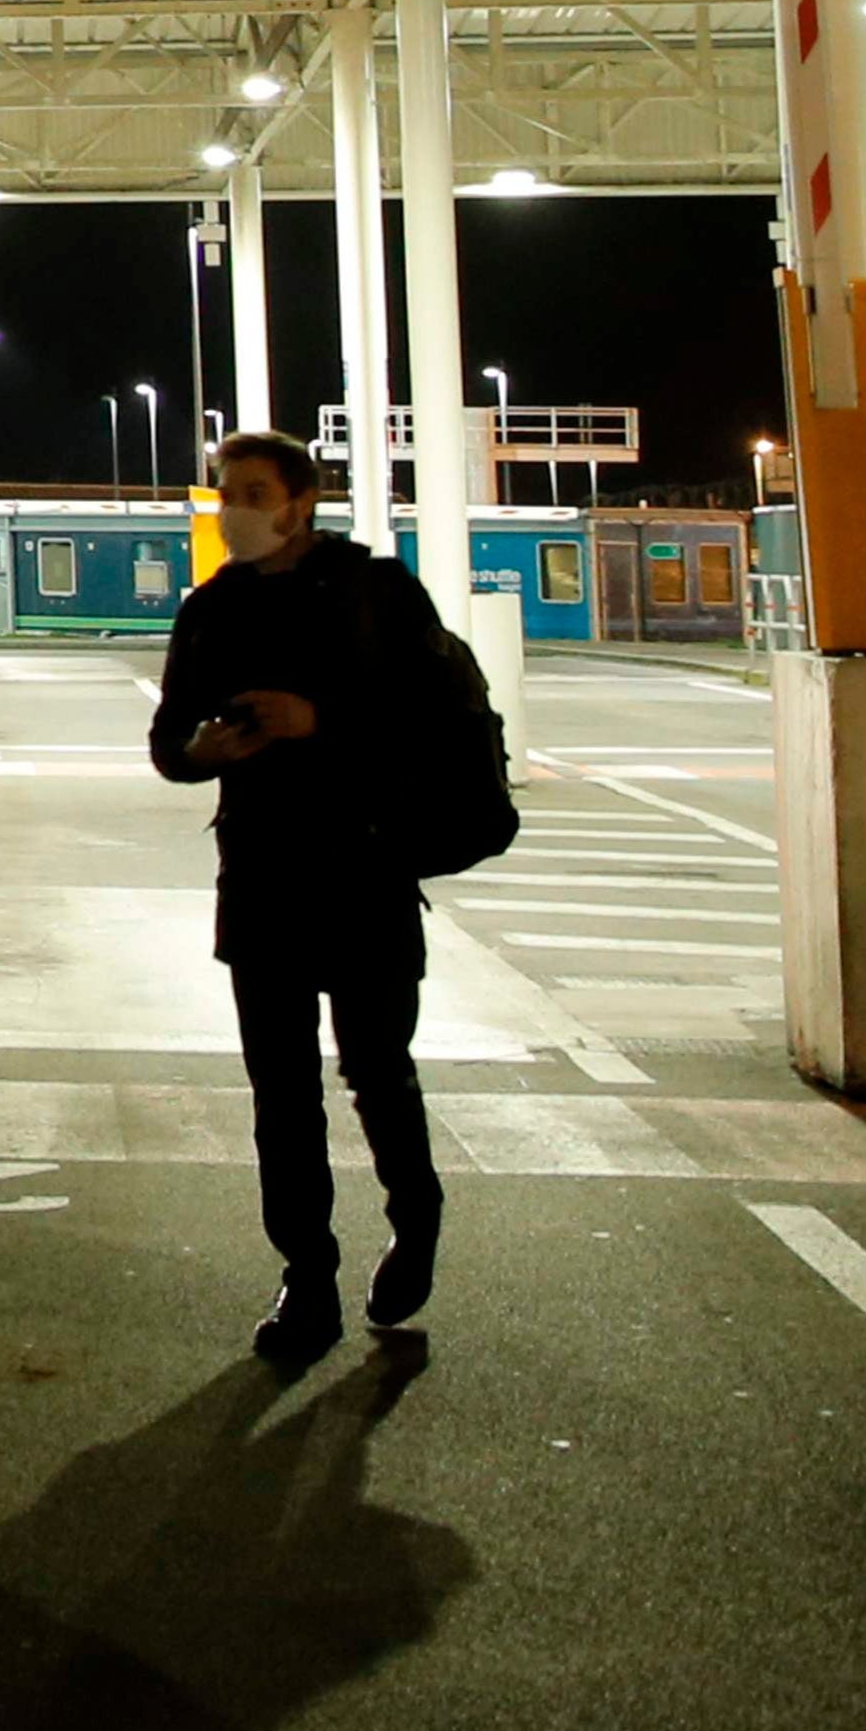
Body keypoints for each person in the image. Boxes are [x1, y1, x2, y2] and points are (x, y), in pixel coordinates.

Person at [152, 427, 486, 1360]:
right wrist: (199, 754)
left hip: (367, 869)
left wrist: (319, 720)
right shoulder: (211, 611)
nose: (235, 513)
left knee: (377, 1067)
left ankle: (414, 1219)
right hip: (260, 877)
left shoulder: (376, 594)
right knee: (280, 1090)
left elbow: (438, 720)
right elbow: (168, 737)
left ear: (301, 502)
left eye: (254, 493)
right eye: (225, 494)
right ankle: (307, 1274)